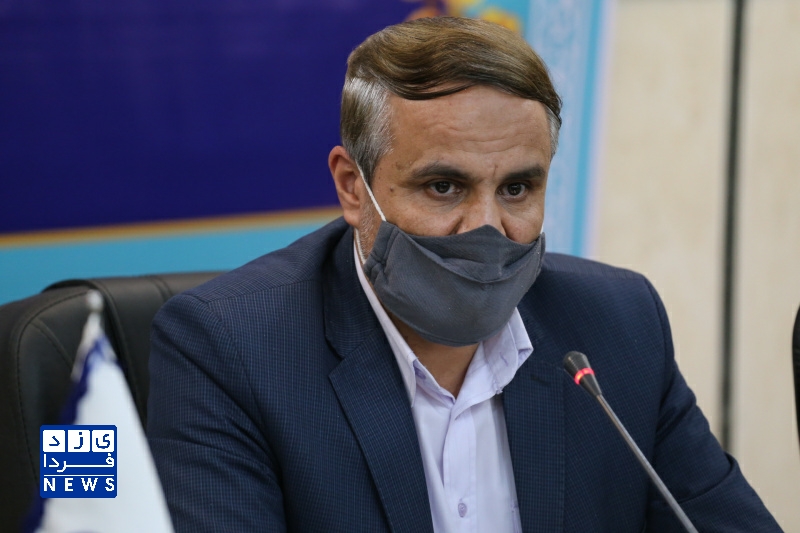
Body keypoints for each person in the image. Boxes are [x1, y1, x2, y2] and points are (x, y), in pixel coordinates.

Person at [147, 17, 781, 532]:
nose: (487, 229)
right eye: (444, 186)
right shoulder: (230, 349)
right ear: (352, 188)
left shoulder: (619, 326)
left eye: (517, 189)